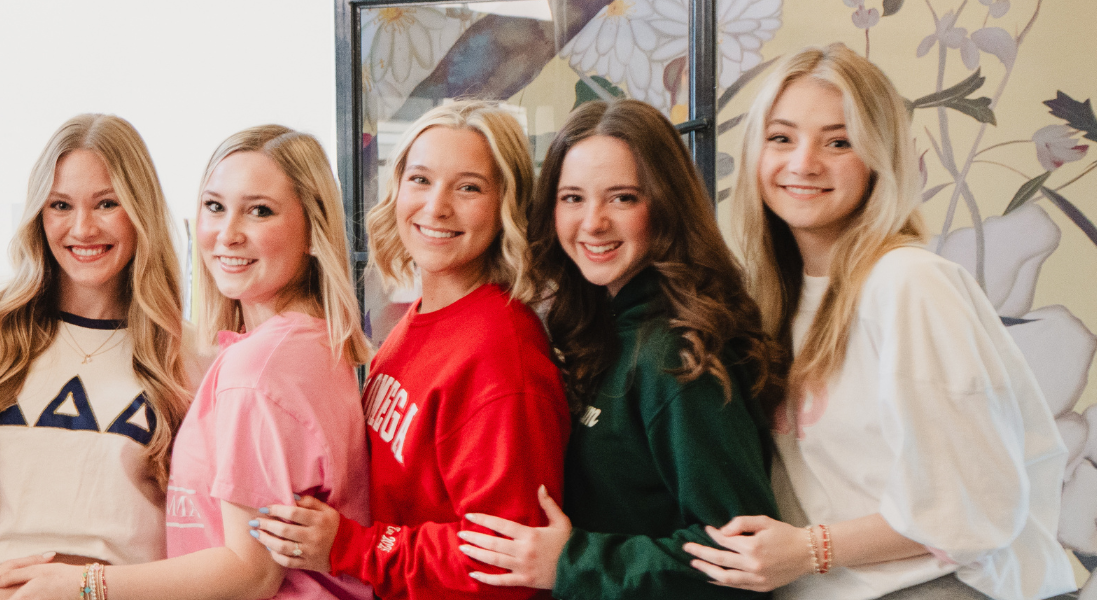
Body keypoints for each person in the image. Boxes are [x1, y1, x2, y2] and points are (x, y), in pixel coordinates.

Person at [684, 42, 1075, 600]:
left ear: (879, 159)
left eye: (838, 142)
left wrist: (808, 549)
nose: (804, 163)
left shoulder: (908, 285)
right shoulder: (772, 304)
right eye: (781, 137)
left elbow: (974, 507)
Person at [0, 124, 374, 600]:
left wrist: (83, 584)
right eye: (215, 206)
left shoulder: (255, 370)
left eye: (260, 211)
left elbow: (250, 574)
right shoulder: (308, 347)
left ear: (314, 230)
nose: (227, 234)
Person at [457, 99, 782, 600]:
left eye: (623, 198)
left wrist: (573, 561)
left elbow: (739, 561)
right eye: (572, 198)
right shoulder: (601, 328)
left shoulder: (676, 357)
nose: (593, 222)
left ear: (666, 204)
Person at [246, 100, 569, 600]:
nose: (436, 207)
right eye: (420, 180)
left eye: (468, 188)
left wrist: (352, 547)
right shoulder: (412, 325)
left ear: (506, 204)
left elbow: (502, 561)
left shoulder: (502, 352)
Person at [0, 113, 194, 571]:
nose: (82, 229)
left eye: (106, 204)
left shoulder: (193, 356)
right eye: (60, 205)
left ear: (142, 211)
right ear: (38, 214)